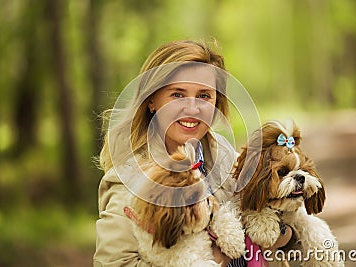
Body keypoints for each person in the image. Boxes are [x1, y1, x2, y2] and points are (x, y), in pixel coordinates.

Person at [93, 40, 293, 267]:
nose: (192, 108)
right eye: (177, 95)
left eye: (204, 96)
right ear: (151, 100)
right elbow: (114, 263)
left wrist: (283, 232)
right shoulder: (129, 177)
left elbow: (282, 229)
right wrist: (215, 260)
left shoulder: (226, 156)